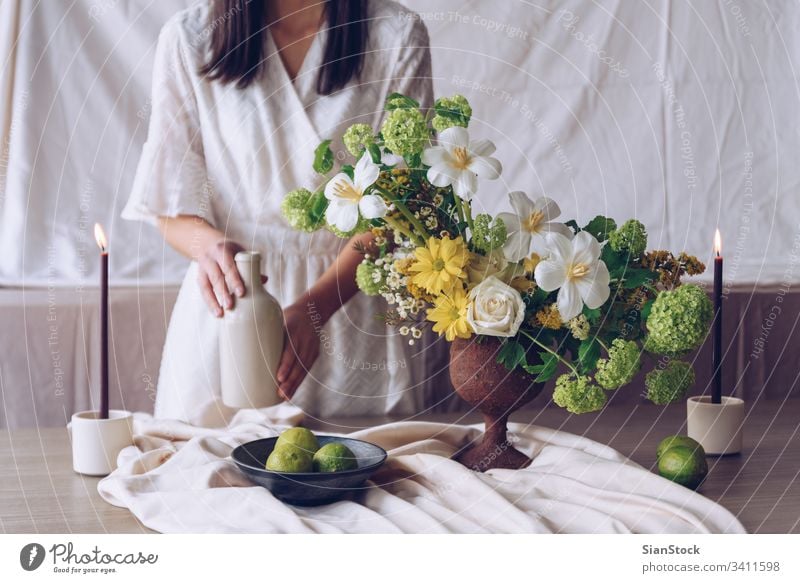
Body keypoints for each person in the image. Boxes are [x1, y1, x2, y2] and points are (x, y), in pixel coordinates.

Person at [123, 0, 443, 425]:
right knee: (212, 475)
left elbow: (400, 209)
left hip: (350, 301)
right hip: (232, 306)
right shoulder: (190, 37)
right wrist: (212, 248)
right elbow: (166, 201)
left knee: (358, 474)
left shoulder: (396, 34)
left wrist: (314, 310)